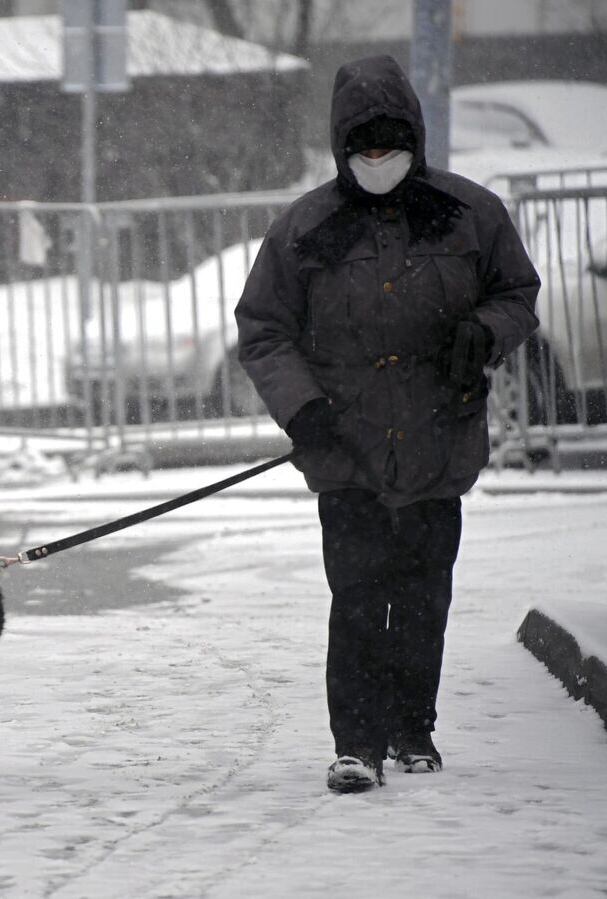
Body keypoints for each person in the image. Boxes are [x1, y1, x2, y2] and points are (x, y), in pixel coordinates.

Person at [235, 56, 540, 793]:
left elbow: (517, 293)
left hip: (439, 440)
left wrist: (484, 333)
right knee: (359, 599)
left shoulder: (470, 213)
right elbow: (264, 329)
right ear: (342, 147)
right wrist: (301, 408)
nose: (378, 159)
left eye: (390, 144)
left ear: (414, 139)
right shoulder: (303, 228)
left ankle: (413, 729)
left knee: (425, 597)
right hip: (345, 450)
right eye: (364, 147)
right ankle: (357, 743)